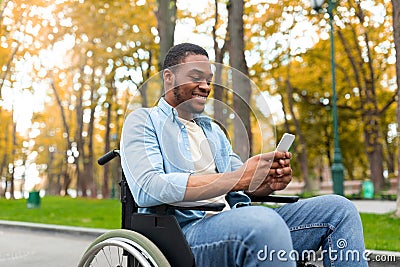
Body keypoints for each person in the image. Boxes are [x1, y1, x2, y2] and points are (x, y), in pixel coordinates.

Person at [120, 43, 368, 266]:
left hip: (238, 218)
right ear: (169, 77)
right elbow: (149, 188)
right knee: (261, 222)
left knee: (339, 209)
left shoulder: (213, 131)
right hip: (183, 232)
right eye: (196, 77)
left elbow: (242, 185)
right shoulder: (144, 121)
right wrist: (239, 177)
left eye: (208, 79)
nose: (205, 87)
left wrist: (266, 181)